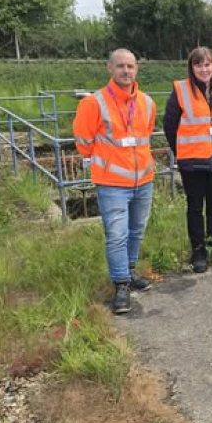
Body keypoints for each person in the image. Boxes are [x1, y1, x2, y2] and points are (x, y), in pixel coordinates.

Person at [73, 49, 155, 314]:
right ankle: (121, 284)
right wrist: (108, 162)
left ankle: (130, 271)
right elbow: (84, 144)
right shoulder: (93, 104)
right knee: (116, 235)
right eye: (120, 66)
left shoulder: (147, 103)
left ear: (137, 68)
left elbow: (145, 137)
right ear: (109, 67)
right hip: (111, 183)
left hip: (143, 179)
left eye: (130, 66)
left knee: (137, 229)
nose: (126, 71)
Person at [163, 47, 212, 274]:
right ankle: (198, 250)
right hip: (192, 160)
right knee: (195, 207)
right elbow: (170, 125)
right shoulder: (181, 91)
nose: (204, 69)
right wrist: (182, 150)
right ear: (192, 68)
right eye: (199, 65)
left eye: (208, 64)